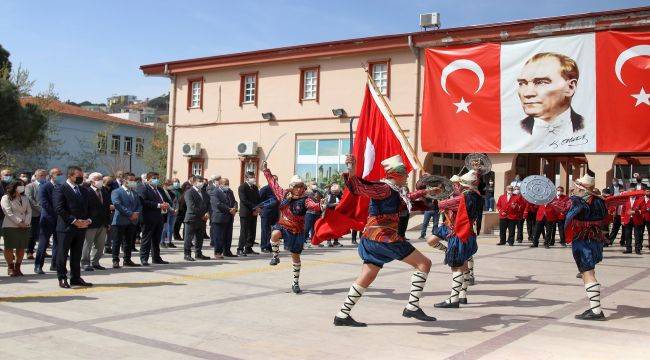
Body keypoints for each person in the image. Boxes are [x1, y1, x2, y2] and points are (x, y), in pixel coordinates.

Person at [334, 154, 438, 327]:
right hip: (385, 239)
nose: (407, 176)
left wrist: (427, 192)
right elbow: (361, 188)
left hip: (371, 239)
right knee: (424, 264)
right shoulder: (384, 188)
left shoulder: (395, 190)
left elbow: (409, 197)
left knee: (367, 275)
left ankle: (342, 315)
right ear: (395, 174)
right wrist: (352, 169)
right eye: (405, 173)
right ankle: (412, 306)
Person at [262, 161, 322, 294]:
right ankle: (275, 255)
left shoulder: (306, 199)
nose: (299, 189)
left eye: (301, 186)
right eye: (296, 186)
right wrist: (266, 170)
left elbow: (313, 205)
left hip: (297, 230)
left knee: (295, 257)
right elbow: (273, 183)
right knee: (274, 234)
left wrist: (320, 206)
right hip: (283, 224)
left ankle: (295, 283)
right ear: (291, 187)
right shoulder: (283, 195)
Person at [427, 171, 481, 308]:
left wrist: (432, 193)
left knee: (457, 267)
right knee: (460, 264)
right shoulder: (477, 196)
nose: (457, 186)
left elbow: (439, 205)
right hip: (462, 232)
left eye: (459, 184)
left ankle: (454, 299)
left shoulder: (463, 198)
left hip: (458, 233)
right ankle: (461, 296)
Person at [561, 171, 608, 320]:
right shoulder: (600, 201)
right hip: (595, 239)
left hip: (583, 240)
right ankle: (595, 309)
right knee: (589, 271)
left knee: (588, 273)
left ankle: (596, 311)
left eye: (575, 188)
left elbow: (564, 210)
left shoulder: (577, 201)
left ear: (581, 189)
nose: (573, 190)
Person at [515, 52, 585, 152]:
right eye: (522, 83)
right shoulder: (514, 131)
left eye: (541, 82)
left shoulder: (589, 126)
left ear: (570, 87)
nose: (527, 93)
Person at [53, 166, 93, 288]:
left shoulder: (84, 190)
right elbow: (59, 208)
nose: (81, 178)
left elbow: (89, 207)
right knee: (62, 254)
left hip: (81, 227)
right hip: (66, 228)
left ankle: (75, 277)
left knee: (77, 254)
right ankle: (62, 277)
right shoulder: (61, 189)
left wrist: (88, 220)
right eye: (78, 176)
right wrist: (74, 221)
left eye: (81, 176)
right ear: (70, 176)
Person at [137, 172, 171, 266]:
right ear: (148, 179)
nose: (156, 179)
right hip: (148, 217)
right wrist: (159, 205)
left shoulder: (159, 189)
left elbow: (165, 200)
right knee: (146, 239)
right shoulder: (143, 188)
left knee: (156, 239)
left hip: (159, 217)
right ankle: (144, 258)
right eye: (154, 178)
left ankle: (156, 258)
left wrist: (166, 204)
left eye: (157, 178)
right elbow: (143, 201)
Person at [111, 172, 141, 268]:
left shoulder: (134, 193)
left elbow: (139, 205)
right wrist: (130, 214)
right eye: (131, 180)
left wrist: (136, 213)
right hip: (120, 221)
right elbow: (117, 204)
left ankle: (127, 260)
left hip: (132, 221)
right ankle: (115, 260)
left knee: (128, 242)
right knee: (117, 241)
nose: (133, 182)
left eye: (134, 180)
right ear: (124, 180)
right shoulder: (116, 191)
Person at [81, 172, 111, 271]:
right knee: (87, 244)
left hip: (103, 223)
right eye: (98, 179)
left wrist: (108, 222)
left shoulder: (104, 192)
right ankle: (85, 263)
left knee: (100, 245)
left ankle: (95, 262)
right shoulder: (86, 191)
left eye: (101, 179)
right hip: (91, 223)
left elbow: (107, 208)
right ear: (92, 181)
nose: (100, 181)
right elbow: (84, 208)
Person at [1, 180, 31, 276]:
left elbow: (29, 211)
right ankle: (10, 267)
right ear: (14, 187)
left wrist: (26, 222)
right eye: (20, 186)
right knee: (9, 247)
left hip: (24, 226)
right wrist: (19, 222)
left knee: (21, 247)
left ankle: (18, 267)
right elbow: (8, 212)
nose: (22, 187)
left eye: (23, 186)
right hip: (10, 225)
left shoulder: (24, 198)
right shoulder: (6, 198)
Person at [208, 178, 238, 258]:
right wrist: (229, 209)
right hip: (219, 217)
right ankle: (218, 253)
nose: (227, 185)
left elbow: (234, 202)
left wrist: (235, 208)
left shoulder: (229, 191)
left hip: (229, 217)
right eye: (225, 184)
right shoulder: (215, 192)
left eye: (228, 183)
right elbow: (218, 204)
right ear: (220, 184)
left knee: (228, 236)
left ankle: (227, 251)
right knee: (219, 236)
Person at [183, 176, 211, 261]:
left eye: (202, 181)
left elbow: (208, 205)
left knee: (199, 238)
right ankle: (187, 254)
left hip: (202, 219)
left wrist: (208, 213)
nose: (202, 183)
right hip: (192, 218)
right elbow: (191, 206)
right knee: (188, 238)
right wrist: (202, 214)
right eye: (200, 181)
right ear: (194, 182)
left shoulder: (204, 193)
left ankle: (198, 253)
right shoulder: (189, 192)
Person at [237, 172, 260, 256]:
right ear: (246, 178)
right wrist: (254, 208)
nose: (253, 178)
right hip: (245, 213)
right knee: (244, 232)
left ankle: (248, 248)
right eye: (251, 177)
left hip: (254, 213)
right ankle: (240, 248)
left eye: (254, 177)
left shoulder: (255, 187)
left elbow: (258, 199)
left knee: (252, 231)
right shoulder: (242, 187)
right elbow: (244, 200)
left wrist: (258, 208)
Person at [25, 169, 46, 259]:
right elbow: (30, 199)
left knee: (44, 234)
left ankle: (42, 251)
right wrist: (40, 209)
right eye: (41, 175)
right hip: (35, 214)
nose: (43, 177)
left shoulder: (47, 185)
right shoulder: (30, 186)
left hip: (46, 213)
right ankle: (30, 251)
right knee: (33, 234)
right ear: (36, 176)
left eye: (44, 175)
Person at [258, 175, 279, 253]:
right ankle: (264, 246)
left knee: (274, 230)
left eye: (277, 180)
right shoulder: (265, 189)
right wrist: (260, 210)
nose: (276, 182)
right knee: (265, 230)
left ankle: (270, 246)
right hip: (266, 213)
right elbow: (259, 200)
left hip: (275, 213)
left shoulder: (277, 189)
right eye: (274, 180)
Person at [621, 186, 645, 255]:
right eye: (630, 192)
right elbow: (623, 210)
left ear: (635, 192)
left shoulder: (640, 199)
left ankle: (637, 249)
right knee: (627, 234)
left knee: (637, 235)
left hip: (637, 219)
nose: (631, 193)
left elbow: (643, 210)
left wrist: (635, 212)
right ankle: (628, 249)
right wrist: (622, 219)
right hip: (627, 219)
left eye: (632, 191)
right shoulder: (626, 199)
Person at [160, 179, 178, 248]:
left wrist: (176, 209)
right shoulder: (162, 192)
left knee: (171, 228)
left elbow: (176, 202)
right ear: (165, 185)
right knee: (165, 228)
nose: (171, 186)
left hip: (173, 213)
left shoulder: (172, 193)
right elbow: (165, 202)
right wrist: (171, 209)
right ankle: (162, 241)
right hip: (166, 212)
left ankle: (169, 242)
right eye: (170, 185)